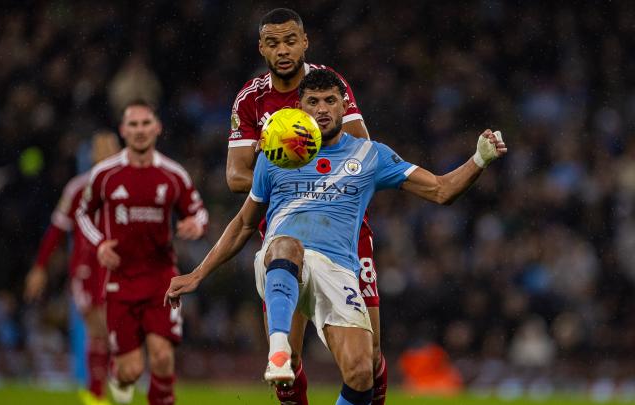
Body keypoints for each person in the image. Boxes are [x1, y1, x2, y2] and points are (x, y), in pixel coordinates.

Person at [167, 69, 507, 405]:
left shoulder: (370, 154)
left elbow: (440, 190)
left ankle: (294, 359)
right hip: (284, 261)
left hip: (339, 269)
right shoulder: (275, 158)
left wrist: (479, 159)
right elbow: (243, 225)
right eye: (313, 102)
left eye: (330, 101)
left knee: (362, 374)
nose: (322, 109)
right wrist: (198, 273)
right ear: (299, 109)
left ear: (345, 108)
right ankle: (280, 349)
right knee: (287, 244)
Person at [227, 8, 386, 404]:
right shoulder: (251, 100)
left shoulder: (328, 85)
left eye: (290, 40)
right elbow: (235, 176)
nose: (283, 50)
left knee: (370, 356)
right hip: (284, 237)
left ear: (305, 41)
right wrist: (289, 178)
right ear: (261, 47)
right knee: (287, 362)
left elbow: (362, 155)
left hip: (345, 237)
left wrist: (318, 179)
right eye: (274, 42)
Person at [76, 100, 208, 405]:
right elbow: (83, 214)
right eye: (132, 125)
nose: (139, 130)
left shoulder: (173, 174)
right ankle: (118, 374)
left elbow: (198, 211)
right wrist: (99, 244)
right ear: (123, 131)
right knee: (131, 371)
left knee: (162, 357)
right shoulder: (105, 174)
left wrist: (195, 225)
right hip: (120, 282)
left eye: (145, 123)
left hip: (162, 278)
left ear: (157, 128)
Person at [25, 131, 120, 405]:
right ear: (93, 155)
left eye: (112, 147)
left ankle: (100, 387)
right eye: (102, 147)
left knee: (112, 329)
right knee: (97, 325)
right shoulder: (77, 188)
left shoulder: (127, 186)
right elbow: (56, 230)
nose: (107, 152)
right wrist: (40, 268)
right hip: (86, 269)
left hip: (117, 268)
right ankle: (95, 394)